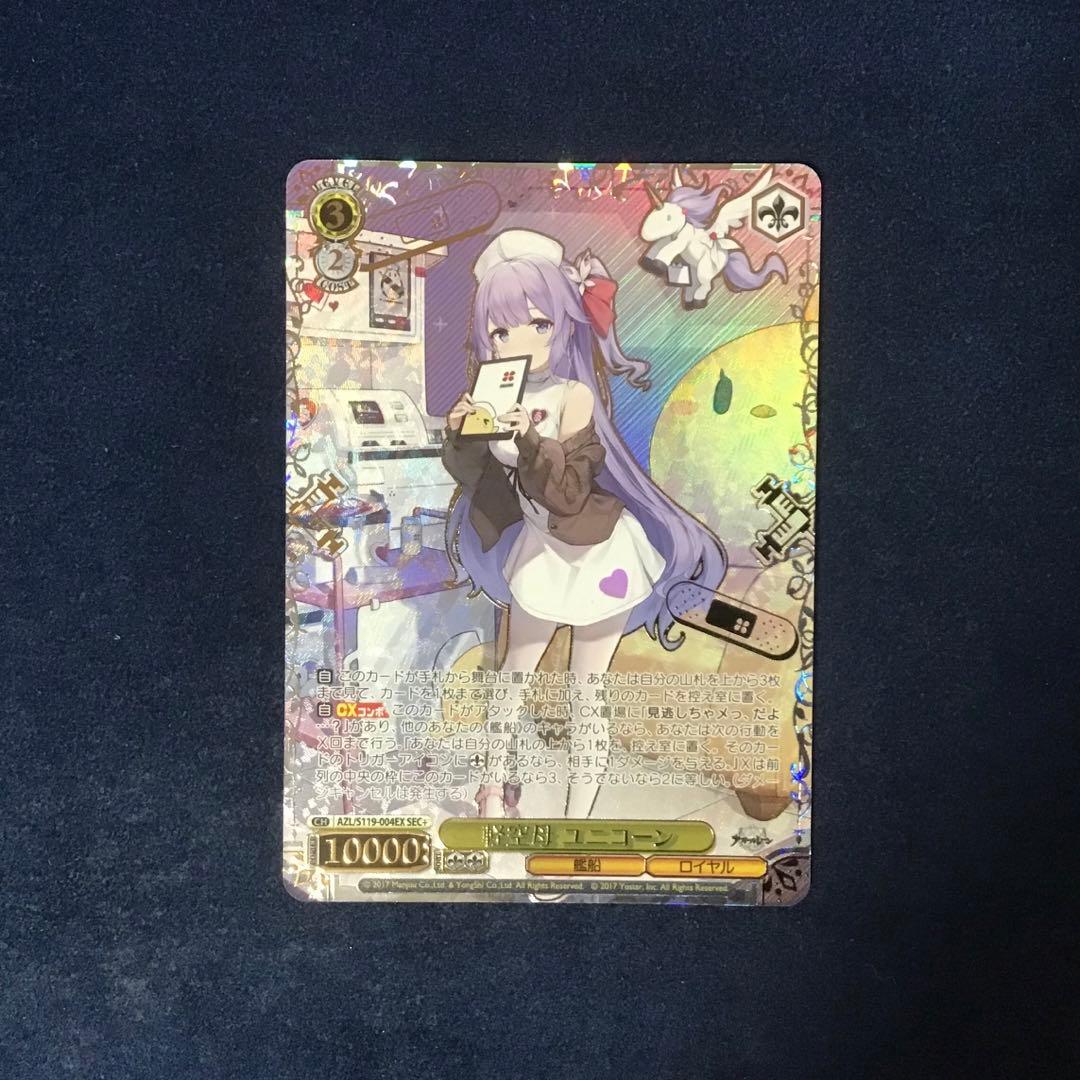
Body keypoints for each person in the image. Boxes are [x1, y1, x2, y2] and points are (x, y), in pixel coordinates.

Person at [442, 229, 726, 818]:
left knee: (585, 695)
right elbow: (478, 479)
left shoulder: (574, 395)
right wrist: (461, 433)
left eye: (538, 324)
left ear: (563, 324)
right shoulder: (494, 394)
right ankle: (492, 792)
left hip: (598, 554)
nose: (520, 342)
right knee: (514, 677)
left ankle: (577, 824)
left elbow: (567, 494)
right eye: (501, 331)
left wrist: (527, 436)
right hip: (542, 552)